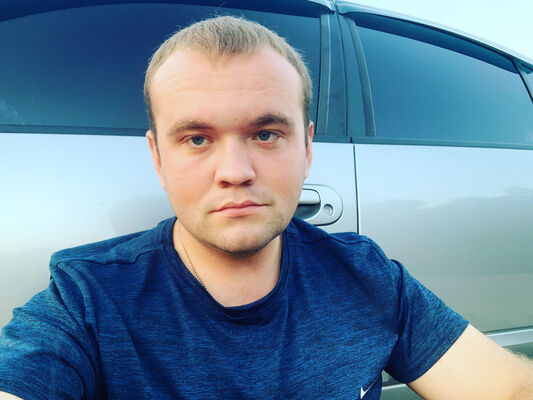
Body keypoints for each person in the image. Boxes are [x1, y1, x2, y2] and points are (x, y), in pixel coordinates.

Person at [0, 15, 532, 400]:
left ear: (307, 147)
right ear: (157, 157)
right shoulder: (85, 300)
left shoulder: (366, 276)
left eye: (266, 133)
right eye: (197, 139)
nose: (235, 171)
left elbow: (506, 389)